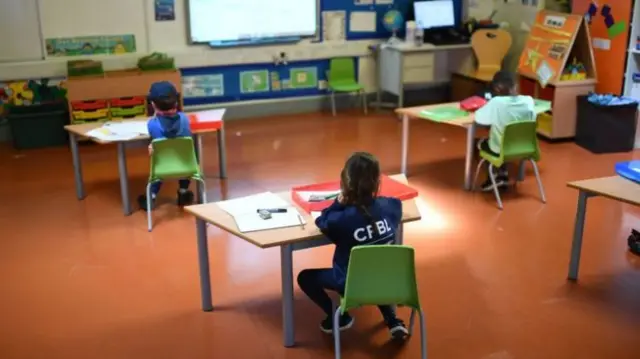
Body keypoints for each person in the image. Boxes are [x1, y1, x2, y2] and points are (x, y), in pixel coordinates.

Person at [297, 152, 409, 340]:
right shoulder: (392, 206)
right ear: (376, 182)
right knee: (375, 266)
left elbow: (323, 220)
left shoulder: (340, 220)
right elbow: (390, 206)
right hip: (387, 279)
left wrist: (338, 203)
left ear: (345, 182)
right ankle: (392, 319)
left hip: (352, 284)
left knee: (305, 277)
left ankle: (340, 316)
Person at [137, 81, 195, 210]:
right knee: (183, 157)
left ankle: (151, 196)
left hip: (162, 169)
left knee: (159, 160)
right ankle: (183, 192)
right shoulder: (185, 119)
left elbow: (156, 135)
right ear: (176, 101)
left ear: (152, 104)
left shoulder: (152, 124)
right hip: (186, 166)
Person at [474, 71, 535, 192]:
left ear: (496, 88)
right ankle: (504, 175)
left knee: (479, 144)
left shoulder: (496, 103)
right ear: (515, 87)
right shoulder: (529, 101)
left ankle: (493, 178)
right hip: (525, 147)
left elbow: (478, 118)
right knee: (504, 140)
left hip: (502, 148)